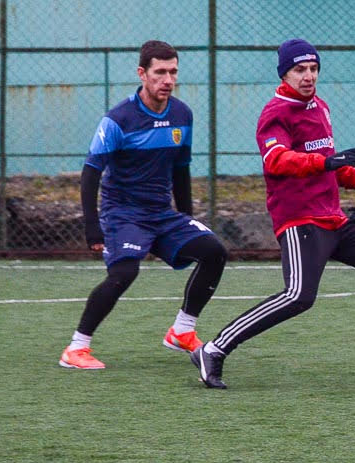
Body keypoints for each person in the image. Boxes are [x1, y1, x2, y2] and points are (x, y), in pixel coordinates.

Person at [190, 38, 355, 388]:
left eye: (313, 68)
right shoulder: (276, 112)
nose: (308, 76)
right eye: (300, 69)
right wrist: (327, 162)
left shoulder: (320, 107)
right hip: (300, 222)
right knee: (298, 295)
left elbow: (329, 161)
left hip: (333, 220)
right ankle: (214, 349)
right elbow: (277, 160)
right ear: (284, 73)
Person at [59, 40, 227, 369]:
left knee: (214, 251)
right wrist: (92, 226)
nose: (168, 79)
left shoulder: (182, 114)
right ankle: (76, 348)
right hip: (123, 214)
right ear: (142, 73)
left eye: (173, 72)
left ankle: (182, 331)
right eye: (160, 72)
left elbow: (181, 169)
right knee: (124, 272)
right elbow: (91, 172)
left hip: (162, 214)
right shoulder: (119, 119)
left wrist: (187, 217)